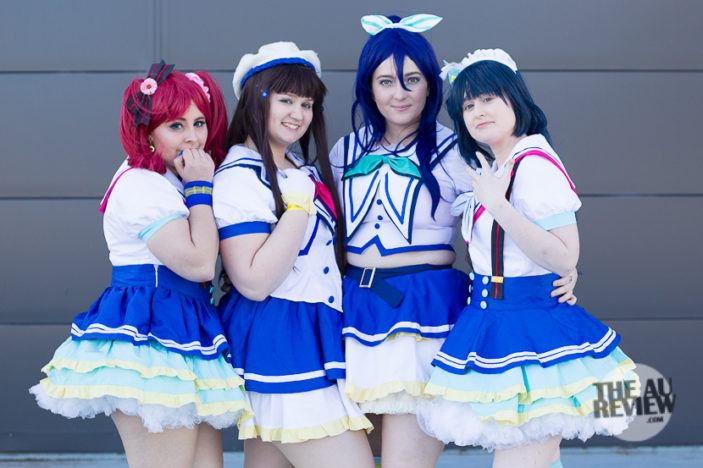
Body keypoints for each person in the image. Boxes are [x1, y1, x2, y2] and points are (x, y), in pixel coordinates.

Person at [329, 15, 578, 468]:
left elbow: (503, 227)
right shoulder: (344, 151)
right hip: (355, 310)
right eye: (386, 81)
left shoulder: (459, 153)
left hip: (424, 312)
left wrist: (558, 271)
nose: (400, 93)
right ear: (368, 87)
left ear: (430, 85)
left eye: (412, 79)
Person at [416, 48, 639, 468]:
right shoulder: (498, 166)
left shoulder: (533, 163)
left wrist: (498, 207)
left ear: (515, 99)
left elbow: (565, 256)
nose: (478, 111)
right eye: (468, 105)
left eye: (488, 98)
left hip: (531, 329)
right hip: (494, 320)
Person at [30, 62, 252, 468]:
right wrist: (200, 186)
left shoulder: (168, 178)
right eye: (176, 126)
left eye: (199, 123)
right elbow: (200, 264)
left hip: (184, 328)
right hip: (151, 333)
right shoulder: (141, 183)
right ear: (148, 132)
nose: (193, 137)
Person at [213, 42, 374, 468]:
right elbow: (252, 280)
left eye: (307, 103)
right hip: (281, 338)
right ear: (255, 99)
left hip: (313, 333)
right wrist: (299, 208)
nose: (298, 114)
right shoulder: (241, 175)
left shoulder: (298, 169)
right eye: (285, 100)